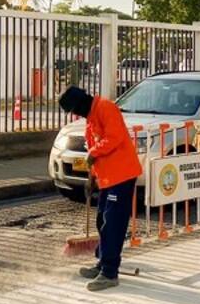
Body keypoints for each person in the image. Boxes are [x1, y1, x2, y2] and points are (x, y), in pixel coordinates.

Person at [59, 85, 143, 291]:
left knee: (113, 223)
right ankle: (102, 262)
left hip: (122, 175)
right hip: (108, 177)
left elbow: (114, 138)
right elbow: (94, 152)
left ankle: (109, 273)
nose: (75, 114)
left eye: (74, 110)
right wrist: (93, 178)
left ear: (80, 104)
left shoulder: (106, 108)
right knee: (102, 220)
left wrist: (94, 153)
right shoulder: (91, 118)